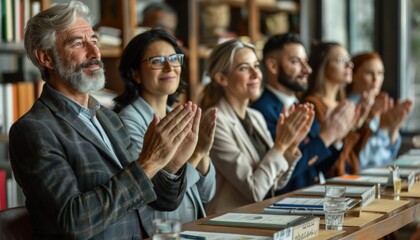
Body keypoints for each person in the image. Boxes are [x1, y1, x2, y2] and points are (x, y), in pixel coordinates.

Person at [9, 1, 198, 239]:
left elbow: (163, 201)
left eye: (94, 41)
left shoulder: (109, 118)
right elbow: (73, 221)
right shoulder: (33, 130)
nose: (95, 53)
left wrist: (170, 166)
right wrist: (149, 163)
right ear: (46, 57)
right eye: (78, 43)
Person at [113, 29, 217, 234]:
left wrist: (203, 152)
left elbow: (207, 193)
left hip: (189, 227)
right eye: (157, 61)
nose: (170, 67)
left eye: (174, 59)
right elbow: (150, 193)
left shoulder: (179, 116)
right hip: (158, 230)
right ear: (135, 74)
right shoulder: (127, 121)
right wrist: (195, 155)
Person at [200, 39, 315, 214]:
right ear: (222, 78)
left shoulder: (256, 116)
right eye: (244, 68)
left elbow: (276, 182)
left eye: (256, 65)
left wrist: (290, 146)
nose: (256, 74)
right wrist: (280, 145)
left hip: (259, 218)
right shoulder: (215, 121)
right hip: (229, 224)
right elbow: (255, 190)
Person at [251, 33, 357, 194]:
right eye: (295, 62)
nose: (307, 70)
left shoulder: (301, 105)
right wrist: (326, 136)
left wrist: (336, 138)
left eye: (306, 62)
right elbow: (281, 174)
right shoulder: (261, 111)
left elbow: (318, 163)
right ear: (273, 66)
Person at [303, 42, 362, 176]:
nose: (350, 65)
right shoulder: (311, 105)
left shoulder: (342, 104)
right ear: (323, 66)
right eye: (341, 60)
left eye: (349, 60)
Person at [347, 52, 412, 169]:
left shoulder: (378, 105)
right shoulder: (348, 108)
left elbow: (387, 159)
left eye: (380, 73)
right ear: (353, 74)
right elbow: (362, 161)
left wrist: (393, 129)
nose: (376, 79)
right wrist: (383, 128)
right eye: (369, 73)